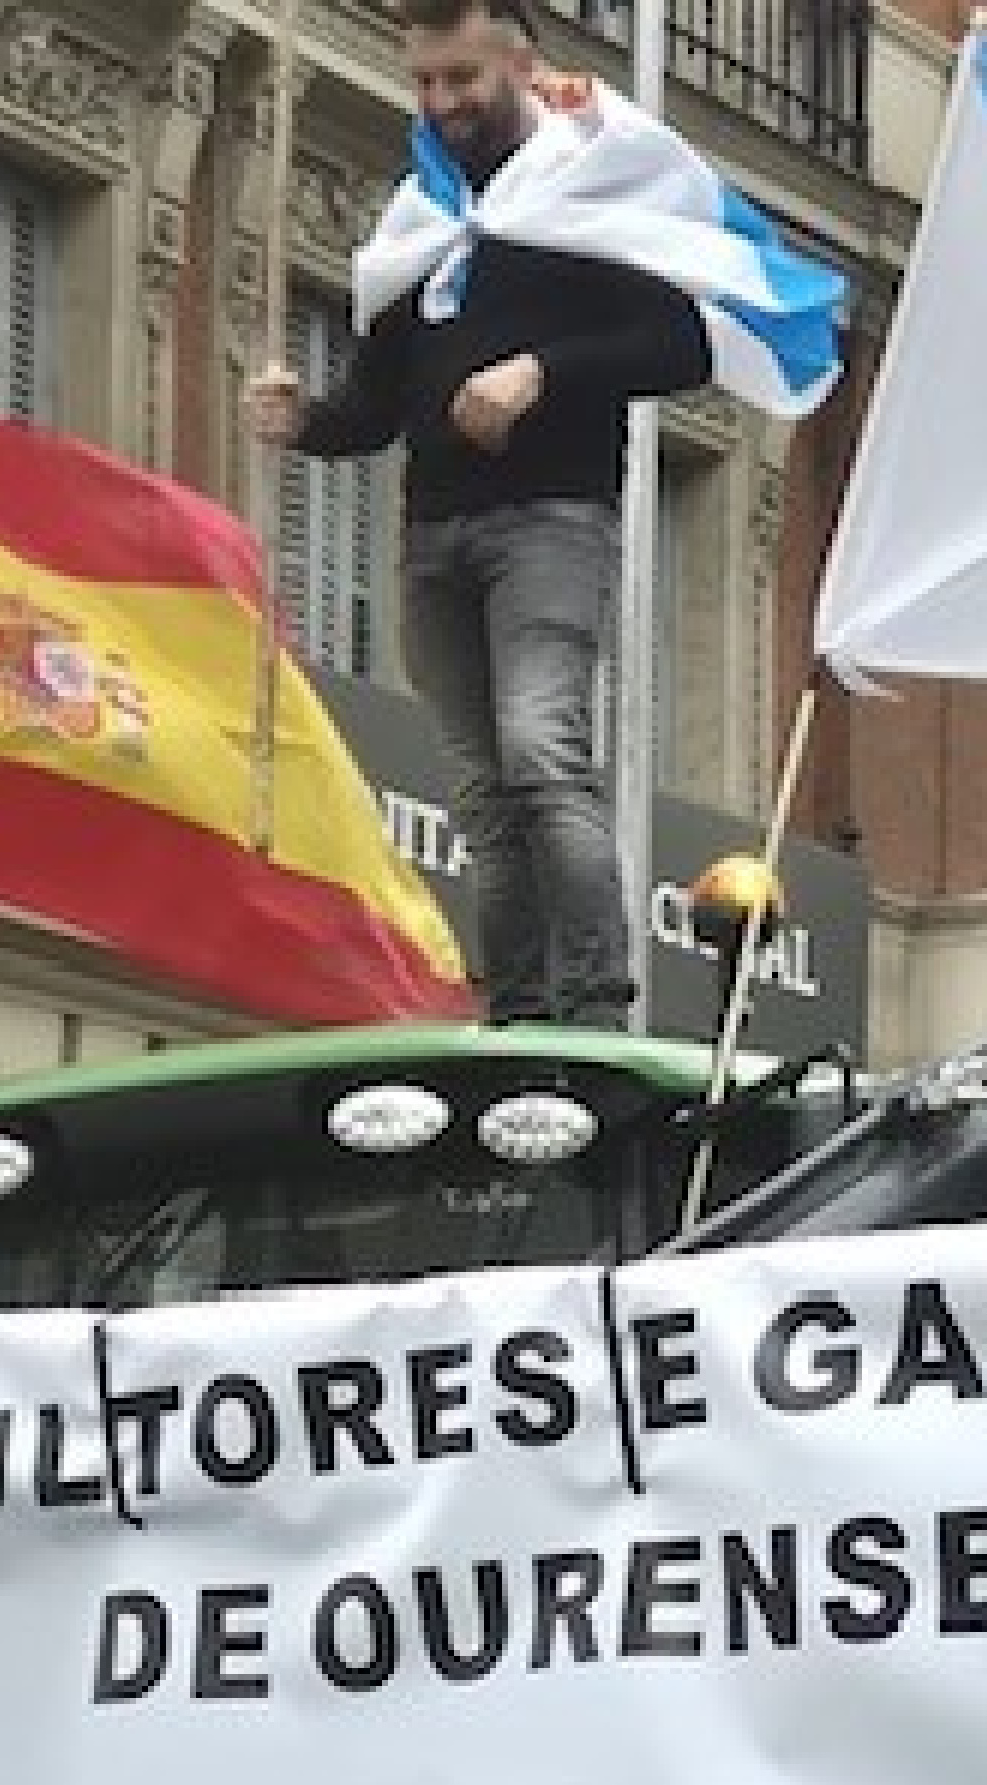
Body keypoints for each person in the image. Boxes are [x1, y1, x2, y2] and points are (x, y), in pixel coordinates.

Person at [244, 0, 711, 1029]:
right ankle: (518, 1002)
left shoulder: (585, 204)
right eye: (426, 84)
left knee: (541, 748)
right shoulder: (423, 226)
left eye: (463, 79)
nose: (444, 102)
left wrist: (540, 371)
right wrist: (302, 419)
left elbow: (680, 347)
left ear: (519, 66)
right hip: (431, 537)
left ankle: (596, 982)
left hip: (550, 521)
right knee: (480, 792)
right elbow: (375, 408)